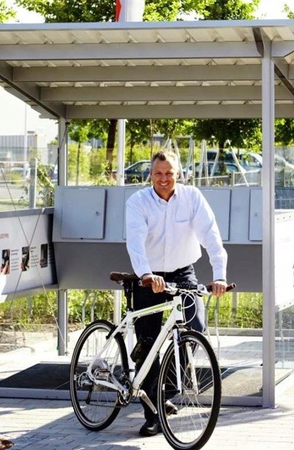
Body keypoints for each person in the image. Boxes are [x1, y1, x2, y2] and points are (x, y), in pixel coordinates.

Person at [124, 150, 228, 437]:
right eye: (158, 173)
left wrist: (219, 275)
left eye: (169, 173)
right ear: (150, 175)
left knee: (195, 325)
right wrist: (146, 273)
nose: (164, 178)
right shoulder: (138, 202)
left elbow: (211, 235)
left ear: (178, 173)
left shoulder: (191, 197)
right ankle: (153, 413)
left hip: (183, 271)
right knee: (148, 344)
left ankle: (166, 390)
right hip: (150, 277)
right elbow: (135, 241)